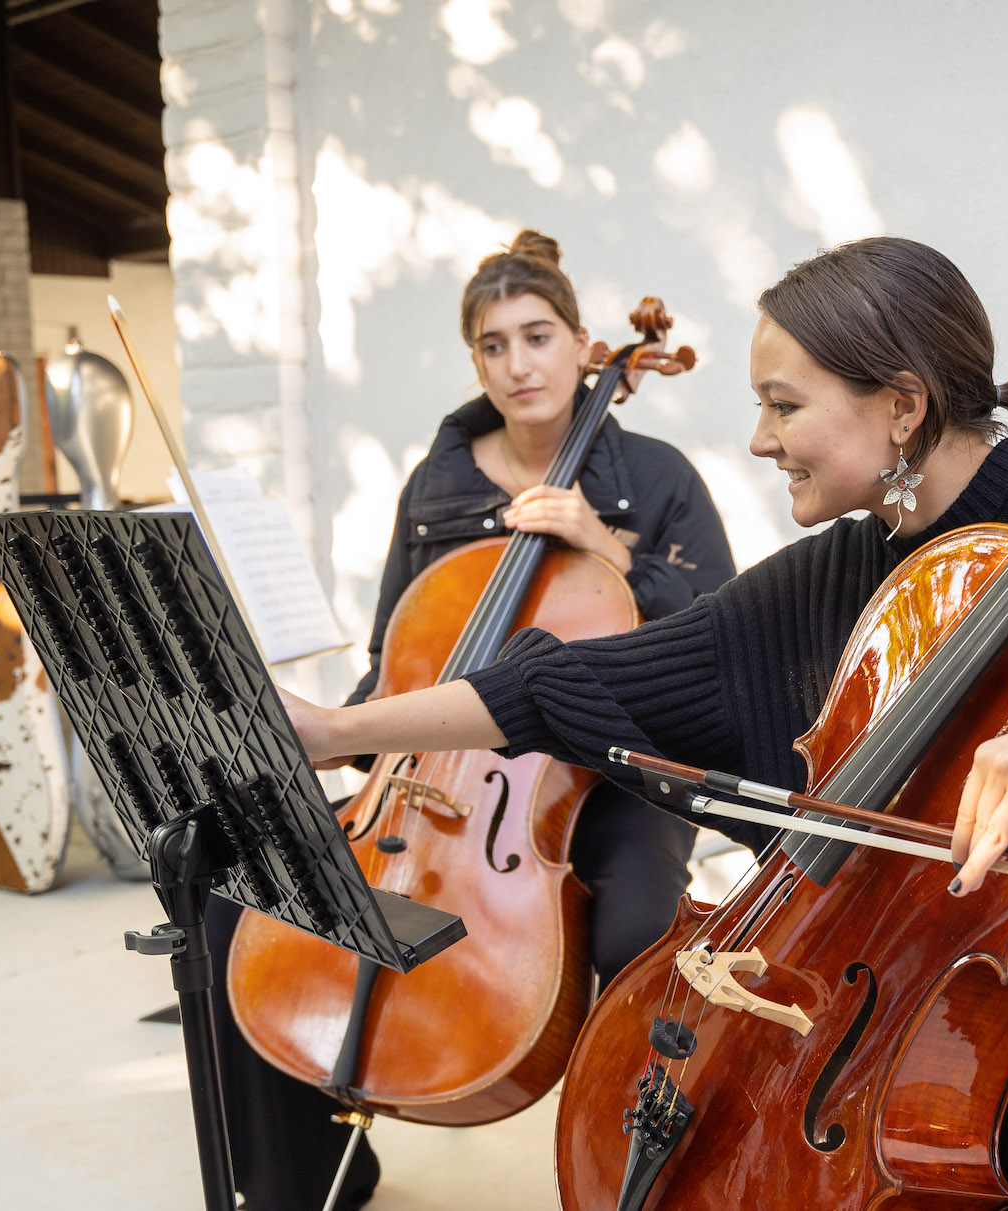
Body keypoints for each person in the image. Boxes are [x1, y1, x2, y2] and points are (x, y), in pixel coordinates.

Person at [281, 235, 1008, 1210]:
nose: (760, 438)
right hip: (982, 1034)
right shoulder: (839, 571)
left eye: (783, 403)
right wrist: (341, 730)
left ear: (900, 405)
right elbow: (579, 679)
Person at [210, 228, 735, 1210]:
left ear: (585, 345)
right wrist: (322, 732)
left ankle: (643, 1181)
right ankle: (303, 1178)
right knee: (245, 895)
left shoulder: (656, 479)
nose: (517, 363)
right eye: (492, 345)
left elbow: (718, 637)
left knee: (639, 937)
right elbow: (392, 664)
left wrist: (606, 548)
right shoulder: (436, 488)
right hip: (430, 780)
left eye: (537, 336)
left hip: (608, 772)